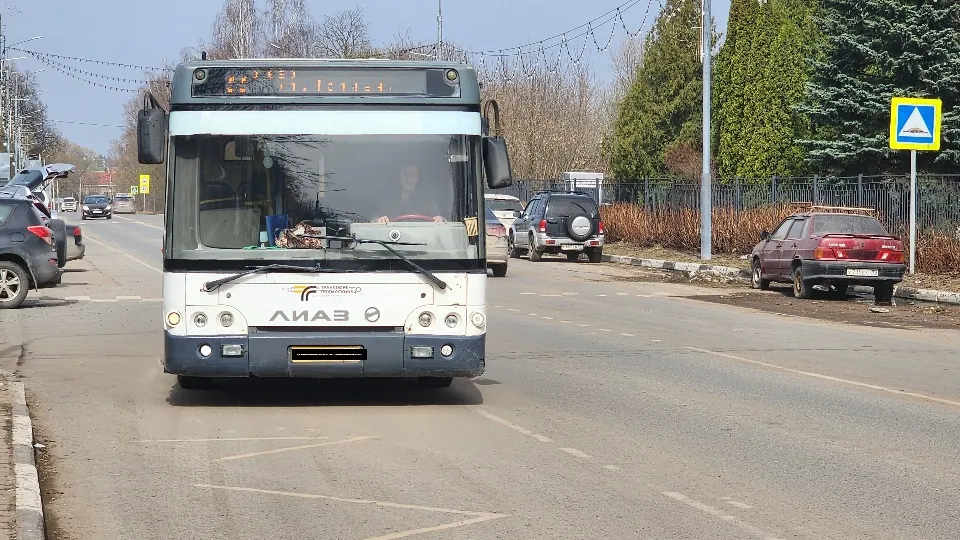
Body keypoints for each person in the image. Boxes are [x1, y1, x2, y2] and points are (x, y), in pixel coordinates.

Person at [374, 164, 446, 223]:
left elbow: (441, 221)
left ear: (418, 179)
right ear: (399, 177)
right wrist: (378, 220)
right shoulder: (386, 201)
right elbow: (372, 221)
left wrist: (440, 219)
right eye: (405, 174)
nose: (409, 179)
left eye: (413, 175)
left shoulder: (428, 202)